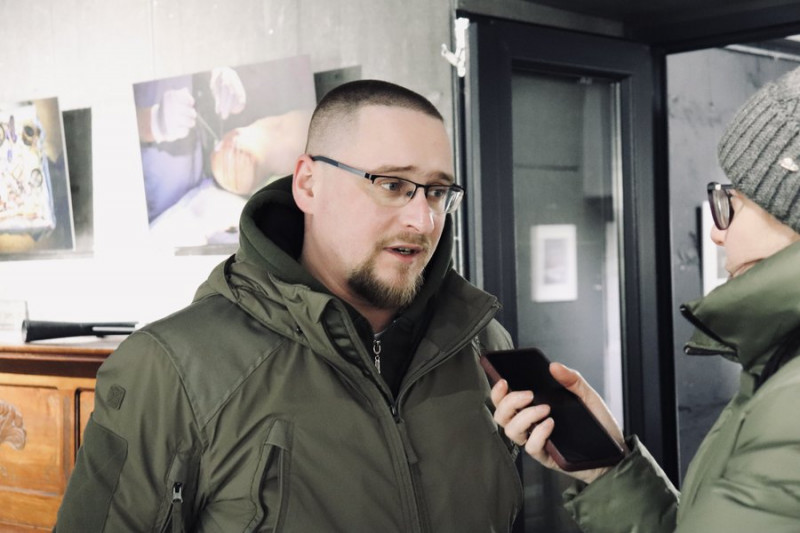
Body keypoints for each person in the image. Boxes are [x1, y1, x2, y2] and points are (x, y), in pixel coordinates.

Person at [55, 79, 523, 532]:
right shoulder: (171, 369)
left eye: (437, 192)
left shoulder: (483, 345)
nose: (423, 220)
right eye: (391, 184)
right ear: (308, 185)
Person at [493, 66, 800, 531]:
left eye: (731, 204)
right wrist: (607, 470)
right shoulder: (780, 371)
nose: (716, 234)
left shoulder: (791, 402)